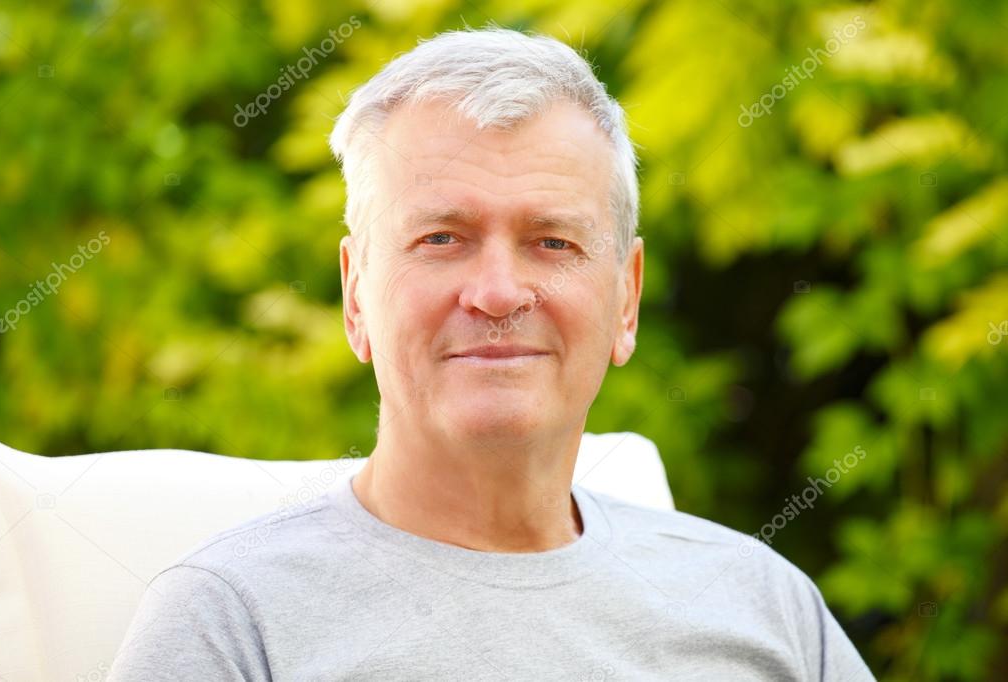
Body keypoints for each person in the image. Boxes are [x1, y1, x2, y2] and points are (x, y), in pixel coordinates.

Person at [109, 27, 874, 681]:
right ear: (354, 296)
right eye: (441, 238)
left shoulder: (764, 607)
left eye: (553, 241)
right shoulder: (228, 625)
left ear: (626, 300)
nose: (499, 292)